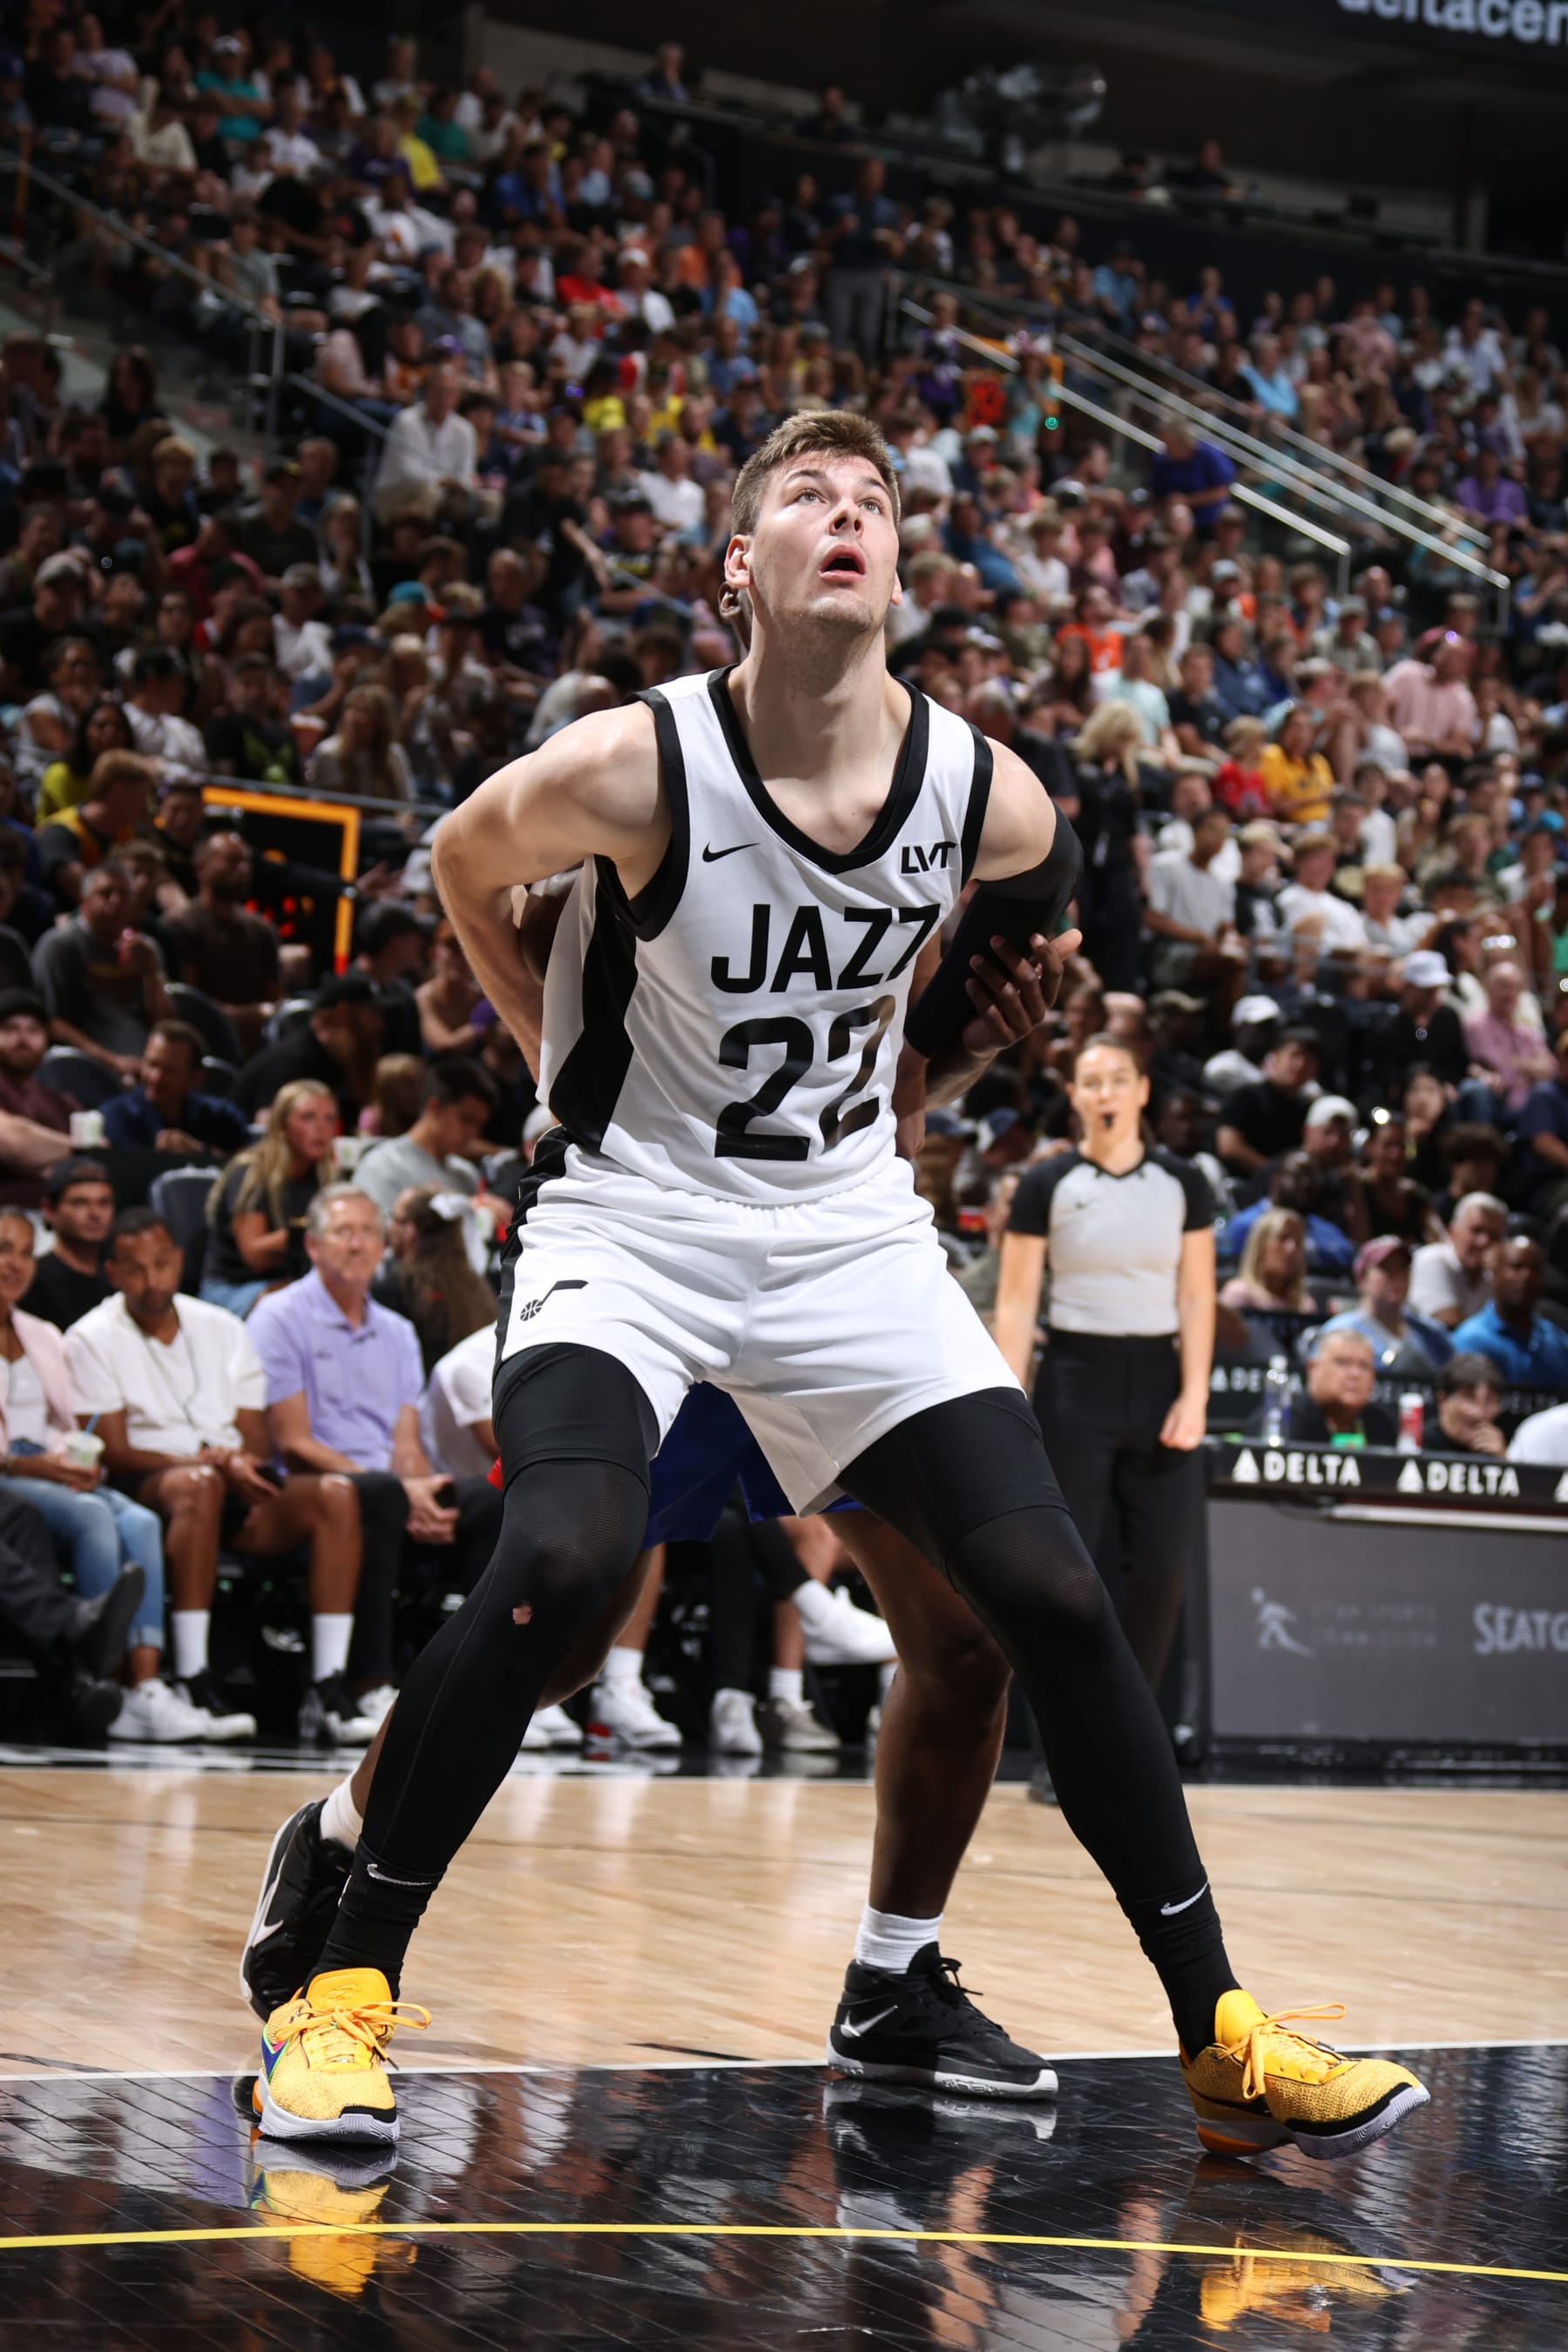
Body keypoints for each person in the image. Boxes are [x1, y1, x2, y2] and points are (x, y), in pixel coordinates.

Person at [257, 411, 1426, 2164]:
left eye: (874, 500)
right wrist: (552, 1049)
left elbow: (1017, 938)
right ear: (740, 564)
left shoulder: (988, 793)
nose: (847, 515)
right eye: (807, 496)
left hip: (843, 1233)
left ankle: (1221, 2036)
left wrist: (954, 1045)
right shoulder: (639, 768)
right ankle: (339, 1994)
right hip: (636, 1223)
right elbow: (455, 862)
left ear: (901, 563)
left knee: (1039, 1588)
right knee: (567, 1560)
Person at [67, 1208, 368, 1742]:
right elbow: (114, 1450)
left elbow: (254, 1439)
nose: (152, 1279)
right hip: (154, 1484)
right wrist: (207, 1463)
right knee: (198, 1486)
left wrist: (231, 1463)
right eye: (135, 1269)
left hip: (232, 1477)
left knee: (337, 1496)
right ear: (112, 1273)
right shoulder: (89, 1336)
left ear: (179, 1262)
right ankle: (191, 1676)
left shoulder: (222, 1328)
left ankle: (330, 1686)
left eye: (162, 1264)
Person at [992, 1034, 1214, 1700]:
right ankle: (1061, 1733)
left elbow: (1198, 1293)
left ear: (1143, 1090)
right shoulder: (1046, 1182)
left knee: (1158, 1569)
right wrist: (1009, 1400)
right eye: (1091, 1083)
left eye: (1120, 1080)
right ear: (1074, 1097)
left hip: (1158, 1379)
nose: (1106, 1094)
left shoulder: (1184, 1182)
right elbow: (1016, 1301)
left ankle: (1130, 1737)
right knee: (1065, 1568)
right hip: (1071, 1378)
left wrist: (1196, 1393)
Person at [248, 1186, 504, 1700]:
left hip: (390, 1485)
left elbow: (406, 1440)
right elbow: (293, 1442)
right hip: (313, 1485)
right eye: (344, 1232)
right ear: (314, 1246)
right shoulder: (278, 1316)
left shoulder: (398, 1332)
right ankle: (370, 1680)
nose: (358, 1244)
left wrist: (420, 1487)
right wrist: (397, 1486)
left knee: (488, 1501)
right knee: (382, 1495)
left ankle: (482, 1684)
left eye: (368, 1232)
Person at [0, 1206, 206, 1740]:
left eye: (25, 1252)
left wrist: (77, 1458)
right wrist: (33, 1465)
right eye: (4, 1249)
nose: (15, 1264)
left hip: (53, 1462)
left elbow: (69, 1420)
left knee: (139, 1522)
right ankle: (101, 1673)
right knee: (91, 1516)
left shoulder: (42, 1333)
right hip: (14, 1467)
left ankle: (145, 1686)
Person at [201, 1079, 339, 1317]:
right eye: (307, 1118)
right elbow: (254, 1256)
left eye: (328, 1119)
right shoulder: (252, 1172)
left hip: (291, 1284)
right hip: (234, 1288)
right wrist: (303, 1234)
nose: (320, 1128)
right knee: (291, 1304)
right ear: (282, 1126)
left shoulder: (324, 1177)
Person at [32, 859, 172, 1081]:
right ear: (83, 900)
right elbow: (53, 1023)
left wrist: (152, 973)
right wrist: (112, 1062)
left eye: (124, 894)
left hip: (148, 1068)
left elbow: (165, 1023)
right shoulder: (61, 945)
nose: (116, 901)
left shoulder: (146, 948)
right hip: (86, 1068)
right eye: (106, 893)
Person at [162, 833, 280, 1058]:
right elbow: (189, 1003)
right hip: (199, 1047)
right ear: (201, 867)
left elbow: (274, 997)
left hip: (254, 1048)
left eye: (245, 862)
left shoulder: (262, 930)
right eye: (231, 860)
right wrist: (246, 1014)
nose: (243, 869)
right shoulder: (181, 925)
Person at [351, 1058, 501, 1215]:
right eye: (466, 1120)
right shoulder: (382, 1165)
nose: (473, 1133)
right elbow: (375, 1232)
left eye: (479, 1124)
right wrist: (465, 1206)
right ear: (434, 1108)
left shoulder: (467, 1174)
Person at [232, 974, 385, 1127]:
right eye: (372, 1013)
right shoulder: (292, 1060)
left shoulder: (339, 1062)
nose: (379, 1024)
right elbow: (265, 1126)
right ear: (342, 1012)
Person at [374, 1186, 498, 1376]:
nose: (389, 1226)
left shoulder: (396, 1287)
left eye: (395, 1218)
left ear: (410, 1231)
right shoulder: (477, 1284)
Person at [99, 1019, 252, 1157]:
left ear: (194, 1078)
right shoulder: (115, 1117)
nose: (155, 1077)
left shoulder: (223, 1119)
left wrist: (200, 1152)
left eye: (168, 1070)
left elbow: (246, 1168)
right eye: (152, 1065)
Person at [1316, 1237, 1453, 1379]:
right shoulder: (1338, 1332)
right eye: (1386, 1268)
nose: (1397, 1277)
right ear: (1362, 1278)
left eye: (1403, 1269)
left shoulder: (1432, 1334)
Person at [1451, 1237, 1568, 1391]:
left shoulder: (1558, 1341)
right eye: (1516, 1267)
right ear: (1494, 1274)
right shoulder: (1470, 1340)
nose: (1526, 1276)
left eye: (1535, 1269)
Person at [0, 987, 77, 1206]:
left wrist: (44, 1153)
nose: (23, 1038)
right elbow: (13, 1143)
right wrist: (77, 1150)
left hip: (61, 1220)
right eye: (10, 1028)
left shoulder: (63, 1103)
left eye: (34, 1030)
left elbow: (100, 1152)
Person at [1408, 1192, 1508, 1329]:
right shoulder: (1431, 1260)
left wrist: (1500, 1277)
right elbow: (1451, 1327)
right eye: (1476, 1231)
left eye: (1493, 1235)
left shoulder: (1494, 1275)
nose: (1484, 1242)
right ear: (1453, 1232)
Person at [1286, 1328, 1397, 1447]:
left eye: (1364, 1366)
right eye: (1342, 1362)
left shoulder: (1382, 1424)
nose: (1355, 1374)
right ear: (1313, 1368)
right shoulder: (1287, 1419)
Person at [1423, 1353, 1506, 1456]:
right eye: (1468, 1398)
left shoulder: (1499, 1450)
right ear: (1442, 1399)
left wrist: (1505, 1464)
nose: (1479, 1413)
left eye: (1490, 1400)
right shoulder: (1418, 1447)